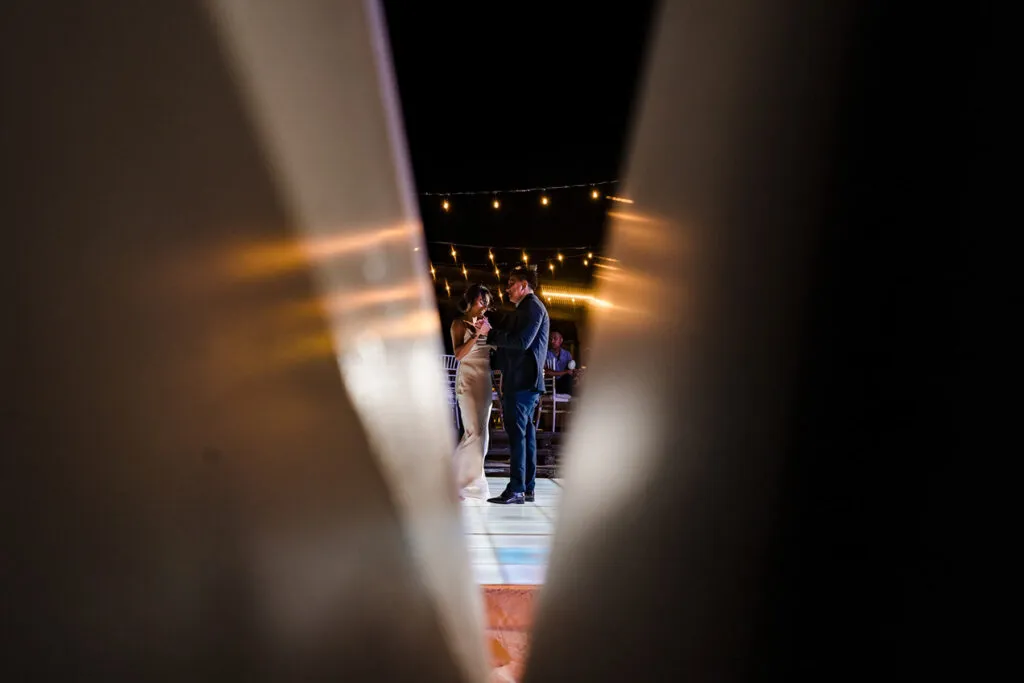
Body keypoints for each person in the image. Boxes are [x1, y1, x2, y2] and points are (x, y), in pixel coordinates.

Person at [478, 265, 549, 504]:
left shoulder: (532, 307)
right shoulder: (528, 308)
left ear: (524, 285)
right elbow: (513, 332)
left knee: (517, 436)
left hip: (522, 382)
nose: (507, 288)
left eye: (511, 283)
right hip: (525, 382)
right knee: (526, 436)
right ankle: (527, 487)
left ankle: (517, 488)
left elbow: (521, 342)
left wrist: (490, 335)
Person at [449, 283, 495, 500]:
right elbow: (458, 355)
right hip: (467, 381)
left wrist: (491, 336)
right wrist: (476, 335)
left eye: (487, 302)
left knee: (483, 435)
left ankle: (472, 482)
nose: (484, 306)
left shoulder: (487, 325)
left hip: (485, 381)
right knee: (473, 432)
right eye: (481, 301)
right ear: (470, 301)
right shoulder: (458, 324)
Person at [545, 330, 576, 396]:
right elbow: (547, 372)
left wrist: (574, 371)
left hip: (563, 383)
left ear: (561, 340)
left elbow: (571, 370)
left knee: (569, 378)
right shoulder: (546, 354)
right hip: (551, 382)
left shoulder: (567, 354)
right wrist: (565, 372)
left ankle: (567, 397)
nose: (552, 341)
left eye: (555, 339)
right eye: (550, 339)